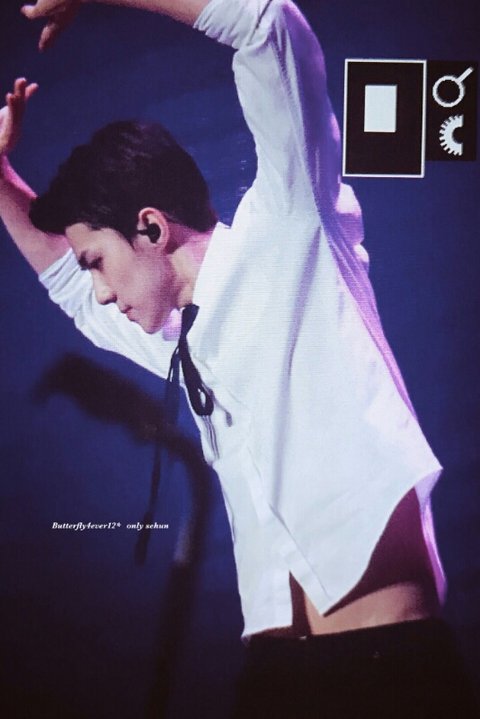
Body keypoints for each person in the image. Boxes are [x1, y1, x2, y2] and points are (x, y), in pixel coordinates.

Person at [1, 1, 478, 716]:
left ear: (151, 228)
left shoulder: (289, 223)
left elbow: (268, 27)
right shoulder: (179, 336)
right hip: (273, 674)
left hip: (387, 660)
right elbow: (70, 291)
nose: (97, 289)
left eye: (97, 260)